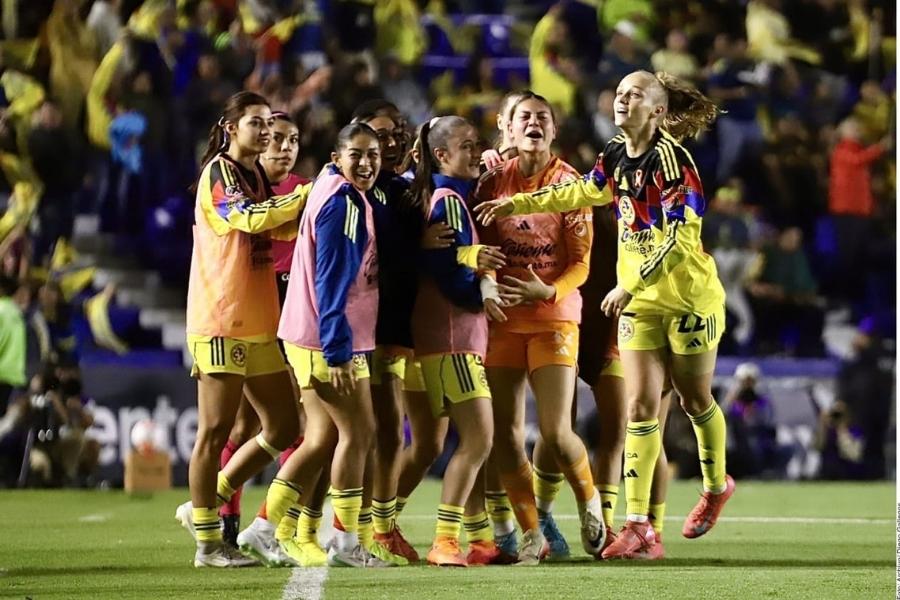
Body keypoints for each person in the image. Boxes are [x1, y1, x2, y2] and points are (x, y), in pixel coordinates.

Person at [477, 70, 736, 560]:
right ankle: (638, 527)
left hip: (687, 298)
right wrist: (519, 200)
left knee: (695, 399)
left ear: (658, 111)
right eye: (618, 93)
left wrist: (627, 284)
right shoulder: (615, 153)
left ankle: (716, 485)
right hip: (639, 302)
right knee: (638, 410)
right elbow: (580, 192)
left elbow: (681, 239)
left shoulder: (673, 165)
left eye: (633, 94)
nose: (621, 100)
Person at [175, 91, 308, 568]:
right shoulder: (219, 172)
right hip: (220, 319)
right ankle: (209, 546)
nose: (266, 132)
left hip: (257, 321)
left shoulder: (253, 174)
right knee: (214, 431)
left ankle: (209, 497)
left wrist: (311, 213)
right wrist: (301, 197)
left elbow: (272, 231)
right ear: (231, 127)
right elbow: (245, 218)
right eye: (255, 123)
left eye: (268, 124)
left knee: (286, 425)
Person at [472, 91, 605, 563]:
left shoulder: (570, 185)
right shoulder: (489, 184)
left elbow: (582, 264)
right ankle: (532, 535)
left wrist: (546, 291)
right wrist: (488, 289)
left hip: (553, 315)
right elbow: (480, 251)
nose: (533, 123)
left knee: (553, 429)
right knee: (505, 435)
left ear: (553, 131)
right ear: (506, 128)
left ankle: (590, 502)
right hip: (504, 317)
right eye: (523, 117)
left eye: (542, 118)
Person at [267, 122, 389, 568]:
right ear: (337, 157)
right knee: (359, 434)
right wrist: (338, 349)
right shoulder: (345, 204)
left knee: (321, 438)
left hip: (307, 333)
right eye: (356, 153)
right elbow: (332, 280)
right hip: (329, 340)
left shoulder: (327, 188)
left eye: (373, 154)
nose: (366, 162)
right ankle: (344, 540)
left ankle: (267, 527)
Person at [409, 116, 500, 567]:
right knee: (480, 439)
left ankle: (481, 539)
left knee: (464, 441)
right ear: (441, 155)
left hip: (451, 338)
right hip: (451, 336)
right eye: (467, 146)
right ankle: (445, 540)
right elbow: (448, 272)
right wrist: (482, 293)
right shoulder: (448, 200)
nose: (475, 152)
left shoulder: (447, 196)